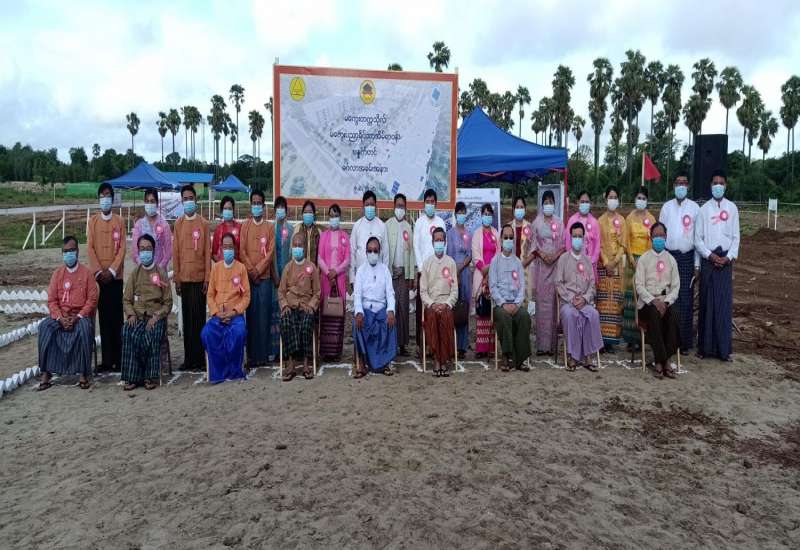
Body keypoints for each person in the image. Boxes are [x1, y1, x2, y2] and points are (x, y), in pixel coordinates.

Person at [37, 236, 99, 391]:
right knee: (44, 327)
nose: (68, 254)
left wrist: (78, 316)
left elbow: (92, 300)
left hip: (80, 316)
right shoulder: (57, 274)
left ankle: (84, 373)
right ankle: (46, 373)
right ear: (62, 253)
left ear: (77, 251)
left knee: (85, 329)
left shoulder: (87, 274)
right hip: (61, 316)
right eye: (65, 251)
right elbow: (51, 301)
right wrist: (60, 318)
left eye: (71, 250)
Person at [695, 170, 740, 361]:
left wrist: (728, 257)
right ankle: (704, 349)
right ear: (710, 186)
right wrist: (710, 256)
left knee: (723, 306)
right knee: (707, 304)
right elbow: (697, 240)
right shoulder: (703, 210)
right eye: (715, 183)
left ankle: (723, 351)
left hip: (726, 263)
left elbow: (736, 237)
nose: (718, 186)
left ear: (726, 186)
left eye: (721, 183)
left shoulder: (732, 208)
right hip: (709, 261)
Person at [121, 234, 173, 390]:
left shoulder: (161, 273)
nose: (145, 252)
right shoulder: (135, 274)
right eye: (142, 249)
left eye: (148, 249)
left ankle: (150, 376)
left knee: (151, 335)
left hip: (155, 318)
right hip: (138, 317)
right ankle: (132, 377)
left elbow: (168, 303)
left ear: (153, 251)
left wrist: (157, 316)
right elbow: (127, 299)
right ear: (138, 251)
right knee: (128, 331)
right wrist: (130, 314)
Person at [658, 173, 700, 354]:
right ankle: (668, 340)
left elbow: (697, 239)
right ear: (674, 186)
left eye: (684, 183)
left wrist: (697, 265)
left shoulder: (695, 208)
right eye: (678, 183)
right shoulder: (666, 207)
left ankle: (683, 343)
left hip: (687, 259)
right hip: (668, 257)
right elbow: (659, 234)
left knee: (685, 299)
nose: (681, 186)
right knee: (668, 298)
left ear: (688, 186)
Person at [201, 233, 250, 383]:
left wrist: (234, 312)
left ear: (234, 248)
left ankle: (234, 371)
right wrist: (216, 312)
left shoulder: (241, 268)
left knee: (238, 333)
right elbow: (210, 295)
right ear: (221, 248)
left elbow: (246, 296)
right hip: (218, 316)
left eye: (230, 247)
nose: (228, 250)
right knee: (207, 333)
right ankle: (219, 372)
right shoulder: (216, 268)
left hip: (235, 316)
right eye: (225, 247)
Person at [87, 182, 125, 372]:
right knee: (104, 318)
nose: (105, 199)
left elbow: (122, 249)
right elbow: (90, 248)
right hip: (99, 280)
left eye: (108, 195)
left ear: (112, 198)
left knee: (117, 318)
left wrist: (112, 271)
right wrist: (98, 272)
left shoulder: (120, 221)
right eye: (102, 196)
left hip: (115, 278)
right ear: (98, 199)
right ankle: (107, 360)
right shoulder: (92, 221)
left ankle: (120, 359)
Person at [555, 222, 604, 372]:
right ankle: (573, 356)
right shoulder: (563, 259)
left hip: (584, 302)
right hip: (568, 303)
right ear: (571, 238)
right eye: (574, 236)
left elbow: (592, 285)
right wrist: (571, 299)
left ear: (583, 239)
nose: (577, 239)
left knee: (593, 314)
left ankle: (588, 356)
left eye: (580, 236)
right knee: (571, 315)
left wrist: (584, 299)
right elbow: (558, 283)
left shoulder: (587, 261)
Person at [635, 222, 681, 378]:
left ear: (666, 237)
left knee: (674, 314)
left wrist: (666, 303)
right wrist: (654, 301)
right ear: (651, 238)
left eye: (662, 235)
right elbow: (639, 286)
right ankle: (661, 361)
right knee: (654, 313)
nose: (659, 238)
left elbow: (676, 287)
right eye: (656, 236)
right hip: (647, 303)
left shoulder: (671, 260)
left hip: (665, 301)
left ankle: (665, 359)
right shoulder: (644, 259)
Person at [173, 184, 211, 371]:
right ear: (182, 201)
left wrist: (207, 278)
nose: (188, 201)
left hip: (199, 278)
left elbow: (207, 253)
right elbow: (176, 252)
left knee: (199, 320)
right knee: (187, 321)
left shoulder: (203, 223)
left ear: (196, 200)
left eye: (191, 198)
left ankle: (200, 359)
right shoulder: (178, 224)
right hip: (184, 278)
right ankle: (189, 359)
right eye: (185, 199)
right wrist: (177, 278)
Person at [239, 190, 275, 367]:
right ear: (250, 204)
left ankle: (264, 355)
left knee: (264, 316)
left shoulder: (269, 227)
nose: (256, 206)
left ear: (263, 205)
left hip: (265, 278)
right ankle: (252, 356)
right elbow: (242, 251)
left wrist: (259, 270)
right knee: (251, 316)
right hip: (249, 278)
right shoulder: (245, 226)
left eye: (259, 203)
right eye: (253, 203)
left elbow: (270, 253)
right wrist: (251, 271)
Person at [278, 232, 321, 381]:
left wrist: (311, 305)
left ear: (305, 247)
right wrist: (284, 305)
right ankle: (291, 364)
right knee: (285, 321)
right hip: (291, 306)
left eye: (300, 245)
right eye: (295, 245)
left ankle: (306, 364)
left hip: (306, 307)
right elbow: (281, 291)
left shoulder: (311, 267)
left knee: (307, 322)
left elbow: (317, 292)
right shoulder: (288, 268)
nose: (297, 248)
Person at [489, 224, 532, 372]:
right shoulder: (495, 261)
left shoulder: (517, 262)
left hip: (515, 304)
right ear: (501, 240)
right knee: (504, 317)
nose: (508, 240)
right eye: (505, 237)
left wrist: (517, 304)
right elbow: (493, 287)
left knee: (524, 316)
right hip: (500, 306)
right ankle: (507, 356)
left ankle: (520, 359)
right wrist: (503, 303)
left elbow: (522, 287)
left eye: (511, 238)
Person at [353, 236, 397, 377]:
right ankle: (362, 363)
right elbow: (357, 295)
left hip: (381, 309)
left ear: (379, 252)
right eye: (370, 250)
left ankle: (384, 363)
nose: (372, 253)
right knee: (357, 323)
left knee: (390, 322)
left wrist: (391, 310)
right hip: (366, 309)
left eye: (375, 250)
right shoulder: (361, 271)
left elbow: (390, 293)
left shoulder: (385, 270)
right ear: (366, 252)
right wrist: (359, 312)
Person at [419, 228, 458, 376]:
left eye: (441, 240)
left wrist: (447, 303)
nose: (439, 243)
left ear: (445, 242)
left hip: (446, 303)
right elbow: (423, 291)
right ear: (432, 242)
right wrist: (432, 304)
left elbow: (455, 290)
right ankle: (437, 359)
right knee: (432, 317)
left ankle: (444, 360)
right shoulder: (427, 263)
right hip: (432, 304)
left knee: (446, 317)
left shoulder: (451, 263)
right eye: (437, 240)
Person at [531, 190, 564, 355]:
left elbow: (564, 244)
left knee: (553, 306)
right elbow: (533, 245)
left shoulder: (559, 222)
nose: (548, 205)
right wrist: (543, 255)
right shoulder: (536, 223)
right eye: (546, 202)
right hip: (541, 269)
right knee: (542, 306)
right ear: (542, 204)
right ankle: (541, 346)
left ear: (554, 204)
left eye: (551, 202)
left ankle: (552, 346)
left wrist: (554, 256)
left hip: (555, 267)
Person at [622, 186, 657, 349]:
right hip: (632, 262)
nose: (641, 201)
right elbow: (626, 240)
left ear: (647, 200)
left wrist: (645, 261)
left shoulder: (651, 219)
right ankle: (630, 339)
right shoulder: (629, 218)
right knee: (631, 299)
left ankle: (641, 339)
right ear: (635, 199)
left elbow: (653, 240)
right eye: (638, 198)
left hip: (646, 262)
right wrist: (631, 258)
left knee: (643, 299)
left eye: (643, 198)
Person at [413, 189, 446, 350]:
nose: (430, 204)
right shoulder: (419, 222)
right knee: (422, 308)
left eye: (433, 202)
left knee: (436, 306)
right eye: (428, 202)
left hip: (438, 273)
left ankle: (435, 343)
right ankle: (422, 345)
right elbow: (416, 246)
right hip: (423, 272)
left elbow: (444, 246)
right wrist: (421, 268)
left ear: (436, 204)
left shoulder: (441, 222)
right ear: (424, 203)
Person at [318, 203, 351, 360]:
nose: (334, 218)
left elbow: (347, 259)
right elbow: (319, 258)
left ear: (340, 217)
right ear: (328, 217)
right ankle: (326, 351)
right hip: (325, 279)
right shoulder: (323, 235)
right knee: (326, 312)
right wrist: (328, 272)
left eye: (336, 215)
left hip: (340, 279)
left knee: (339, 313)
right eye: (331, 215)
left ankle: (336, 351)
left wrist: (335, 272)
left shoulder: (345, 236)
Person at [596, 185, 627, 351]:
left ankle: (612, 341)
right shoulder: (599, 221)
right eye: (610, 197)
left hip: (617, 266)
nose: (613, 200)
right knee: (602, 303)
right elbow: (598, 245)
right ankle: (600, 340)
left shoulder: (622, 220)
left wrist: (614, 262)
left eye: (615, 197)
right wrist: (606, 262)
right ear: (605, 199)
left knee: (615, 304)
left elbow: (624, 244)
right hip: (603, 265)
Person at [385, 193, 416, 355]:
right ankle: (391, 343)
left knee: (403, 308)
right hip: (390, 274)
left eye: (402, 206)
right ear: (393, 207)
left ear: (406, 208)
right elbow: (384, 251)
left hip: (403, 275)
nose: (400, 208)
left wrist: (410, 275)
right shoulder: (387, 225)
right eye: (398, 205)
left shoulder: (408, 227)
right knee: (392, 307)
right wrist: (389, 270)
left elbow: (411, 253)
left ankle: (402, 345)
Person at [471, 203, 499, 358]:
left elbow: (499, 254)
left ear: (492, 216)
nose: (487, 216)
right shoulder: (476, 234)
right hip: (481, 275)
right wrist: (484, 271)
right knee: (482, 312)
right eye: (485, 213)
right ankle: (481, 349)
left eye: (489, 214)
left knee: (492, 312)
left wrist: (491, 272)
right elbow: (476, 256)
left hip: (494, 276)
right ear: (481, 215)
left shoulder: (496, 233)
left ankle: (491, 348)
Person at [446, 201, 472, 356]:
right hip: (452, 273)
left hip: (465, 272)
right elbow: (448, 255)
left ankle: (462, 346)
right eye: (459, 212)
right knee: (453, 307)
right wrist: (455, 272)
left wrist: (461, 268)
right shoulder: (450, 233)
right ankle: (452, 344)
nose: (461, 215)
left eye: (463, 212)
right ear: (455, 215)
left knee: (464, 307)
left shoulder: (468, 234)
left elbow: (470, 255)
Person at [270, 196, 294, 360]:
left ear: (286, 210)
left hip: (287, 278)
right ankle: (274, 350)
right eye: (277, 207)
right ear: (274, 211)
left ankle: (287, 349)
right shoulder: (270, 229)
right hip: (273, 278)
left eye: (282, 207)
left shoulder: (291, 229)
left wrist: (286, 278)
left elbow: (292, 255)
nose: (280, 210)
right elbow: (269, 254)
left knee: (286, 312)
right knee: (274, 312)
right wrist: (275, 275)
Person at [349, 190, 389, 284]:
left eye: (372, 205)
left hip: (378, 276)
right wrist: (352, 278)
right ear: (363, 207)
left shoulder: (382, 226)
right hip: (360, 276)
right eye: (367, 205)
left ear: (376, 207)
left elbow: (386, 253)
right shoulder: (357, 225)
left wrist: (385, 277)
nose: (369, 207)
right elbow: (352, 252)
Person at [131, 188, 172, 269]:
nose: (149, 204)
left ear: (157, 203)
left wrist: (159, 269)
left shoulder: (164, 225)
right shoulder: (139, 225)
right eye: (147, 201)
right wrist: (143, 267)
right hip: (142, 269)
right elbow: (135, 252)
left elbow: (168, 252)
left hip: (160, 270)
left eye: (152, 201)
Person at [564, 190, 600, 280]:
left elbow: (597, 246)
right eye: (582, 202)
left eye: (587, 202)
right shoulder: (572, 220)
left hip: (590, 266)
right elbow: (568, 244)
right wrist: (574, 260)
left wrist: (590, 262)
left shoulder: (595, 222)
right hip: (574, 264)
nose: (584, 204)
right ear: (577, 203)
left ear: (590, 204)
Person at [510, 196, 535, 300]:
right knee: (512, 299)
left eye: (521, 207)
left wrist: (523, 264)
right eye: (517, 207)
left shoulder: (530, 227)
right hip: (511, 269)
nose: (519, 209)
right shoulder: (508, 227)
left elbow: (534, 250)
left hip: (526, 268)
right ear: (513, 209)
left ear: (525, 209)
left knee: (526, 301)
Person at [211, 196, 241, 262]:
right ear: (222, 211)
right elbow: (214, 253)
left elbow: (243, 251)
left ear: (233, 210)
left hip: (237, 266)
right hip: (221, 266)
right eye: (225, 208)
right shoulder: (218, 229)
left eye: (229, 208)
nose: (227, 210)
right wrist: (221, 265)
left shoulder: (240, 228)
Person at [298, 199, 321, 265]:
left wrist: (317, 269)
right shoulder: (297, 230)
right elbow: (293, 252)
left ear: (314, 214)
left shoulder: (318, 232)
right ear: (302, 214)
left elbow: (320, 254)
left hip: (314, 268)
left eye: (310, 212)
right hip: (300, 268)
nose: (307, 214)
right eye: (305, 212)